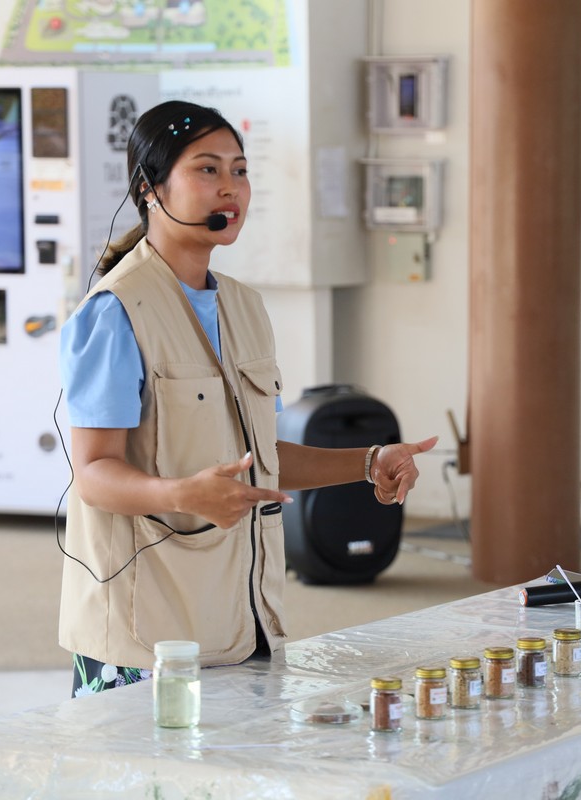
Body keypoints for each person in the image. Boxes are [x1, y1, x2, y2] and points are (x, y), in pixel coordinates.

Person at [59, 100, 437, 697]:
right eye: (207, 170)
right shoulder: (116, 311)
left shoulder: (245, 308)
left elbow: (262, 460)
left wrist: (370, 461)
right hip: (145, 634)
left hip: (244, 621)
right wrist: (182, 495)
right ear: (149, 188)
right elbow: (94, 475)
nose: (230, 188)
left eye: (239, 170)